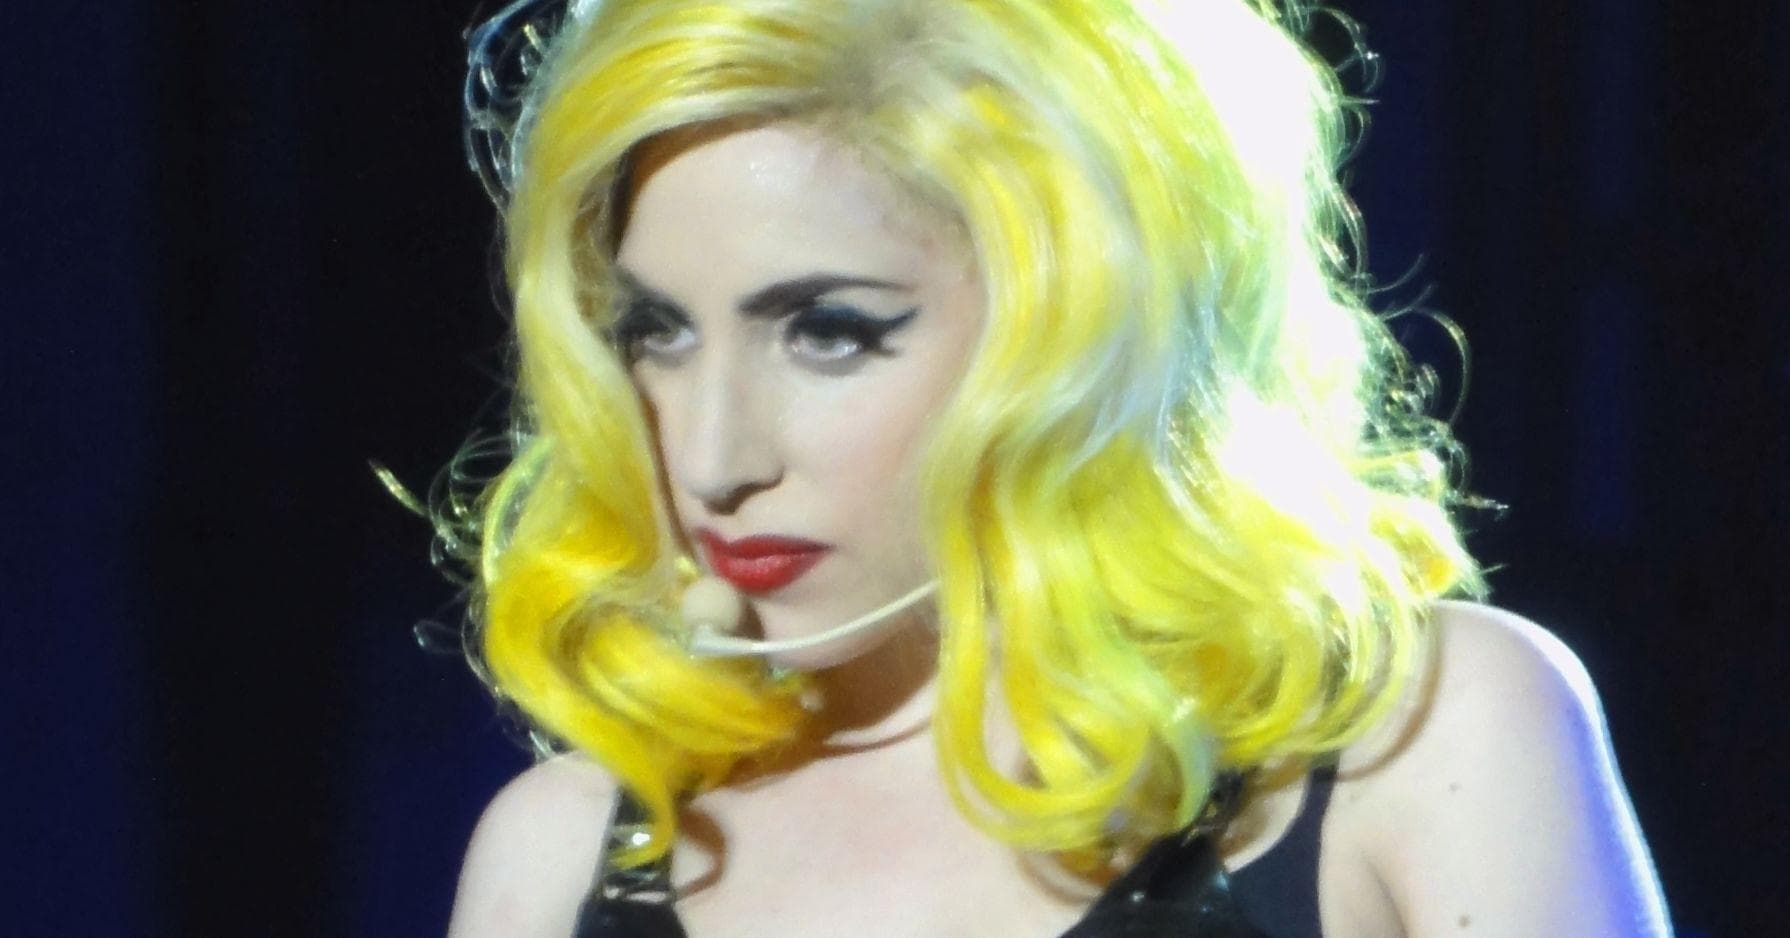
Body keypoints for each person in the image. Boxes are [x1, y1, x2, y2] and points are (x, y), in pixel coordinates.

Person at [433, 0, 1671, 935]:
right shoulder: (555, 855)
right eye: (656, 331)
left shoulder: (1427, 737)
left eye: (829, 331)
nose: (711, 459)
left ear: (1084, 324)